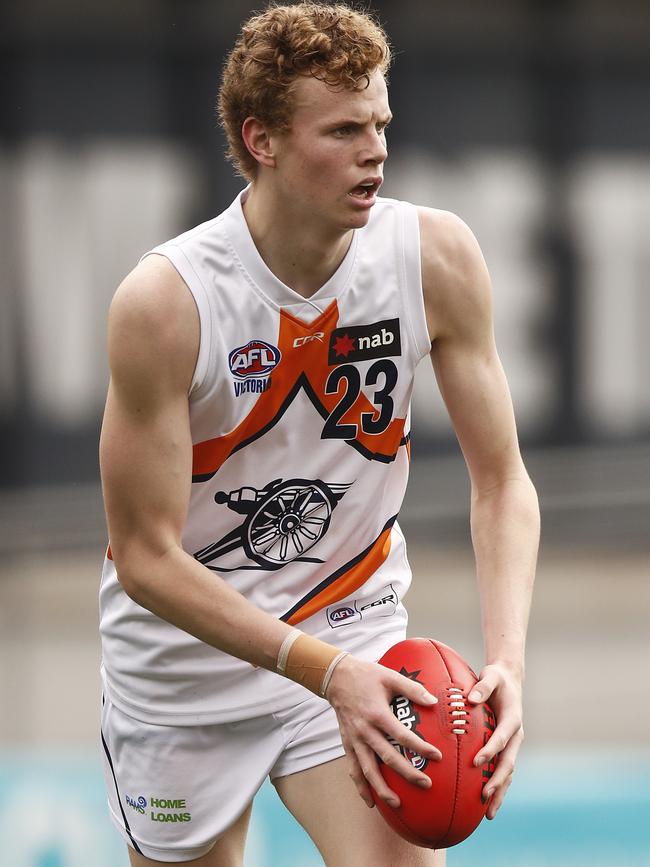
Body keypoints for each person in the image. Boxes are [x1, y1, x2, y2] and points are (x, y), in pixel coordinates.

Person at [99, 3, 540, 865]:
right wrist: (322, 670)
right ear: (261, 139)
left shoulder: (434, 257)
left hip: (353, 622)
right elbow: (144, 556)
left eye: (380, 122)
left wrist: (508, 664)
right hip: (185, 661)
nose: (376, 148)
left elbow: (504, 483)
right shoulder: (166, 303)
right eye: (342, 130)